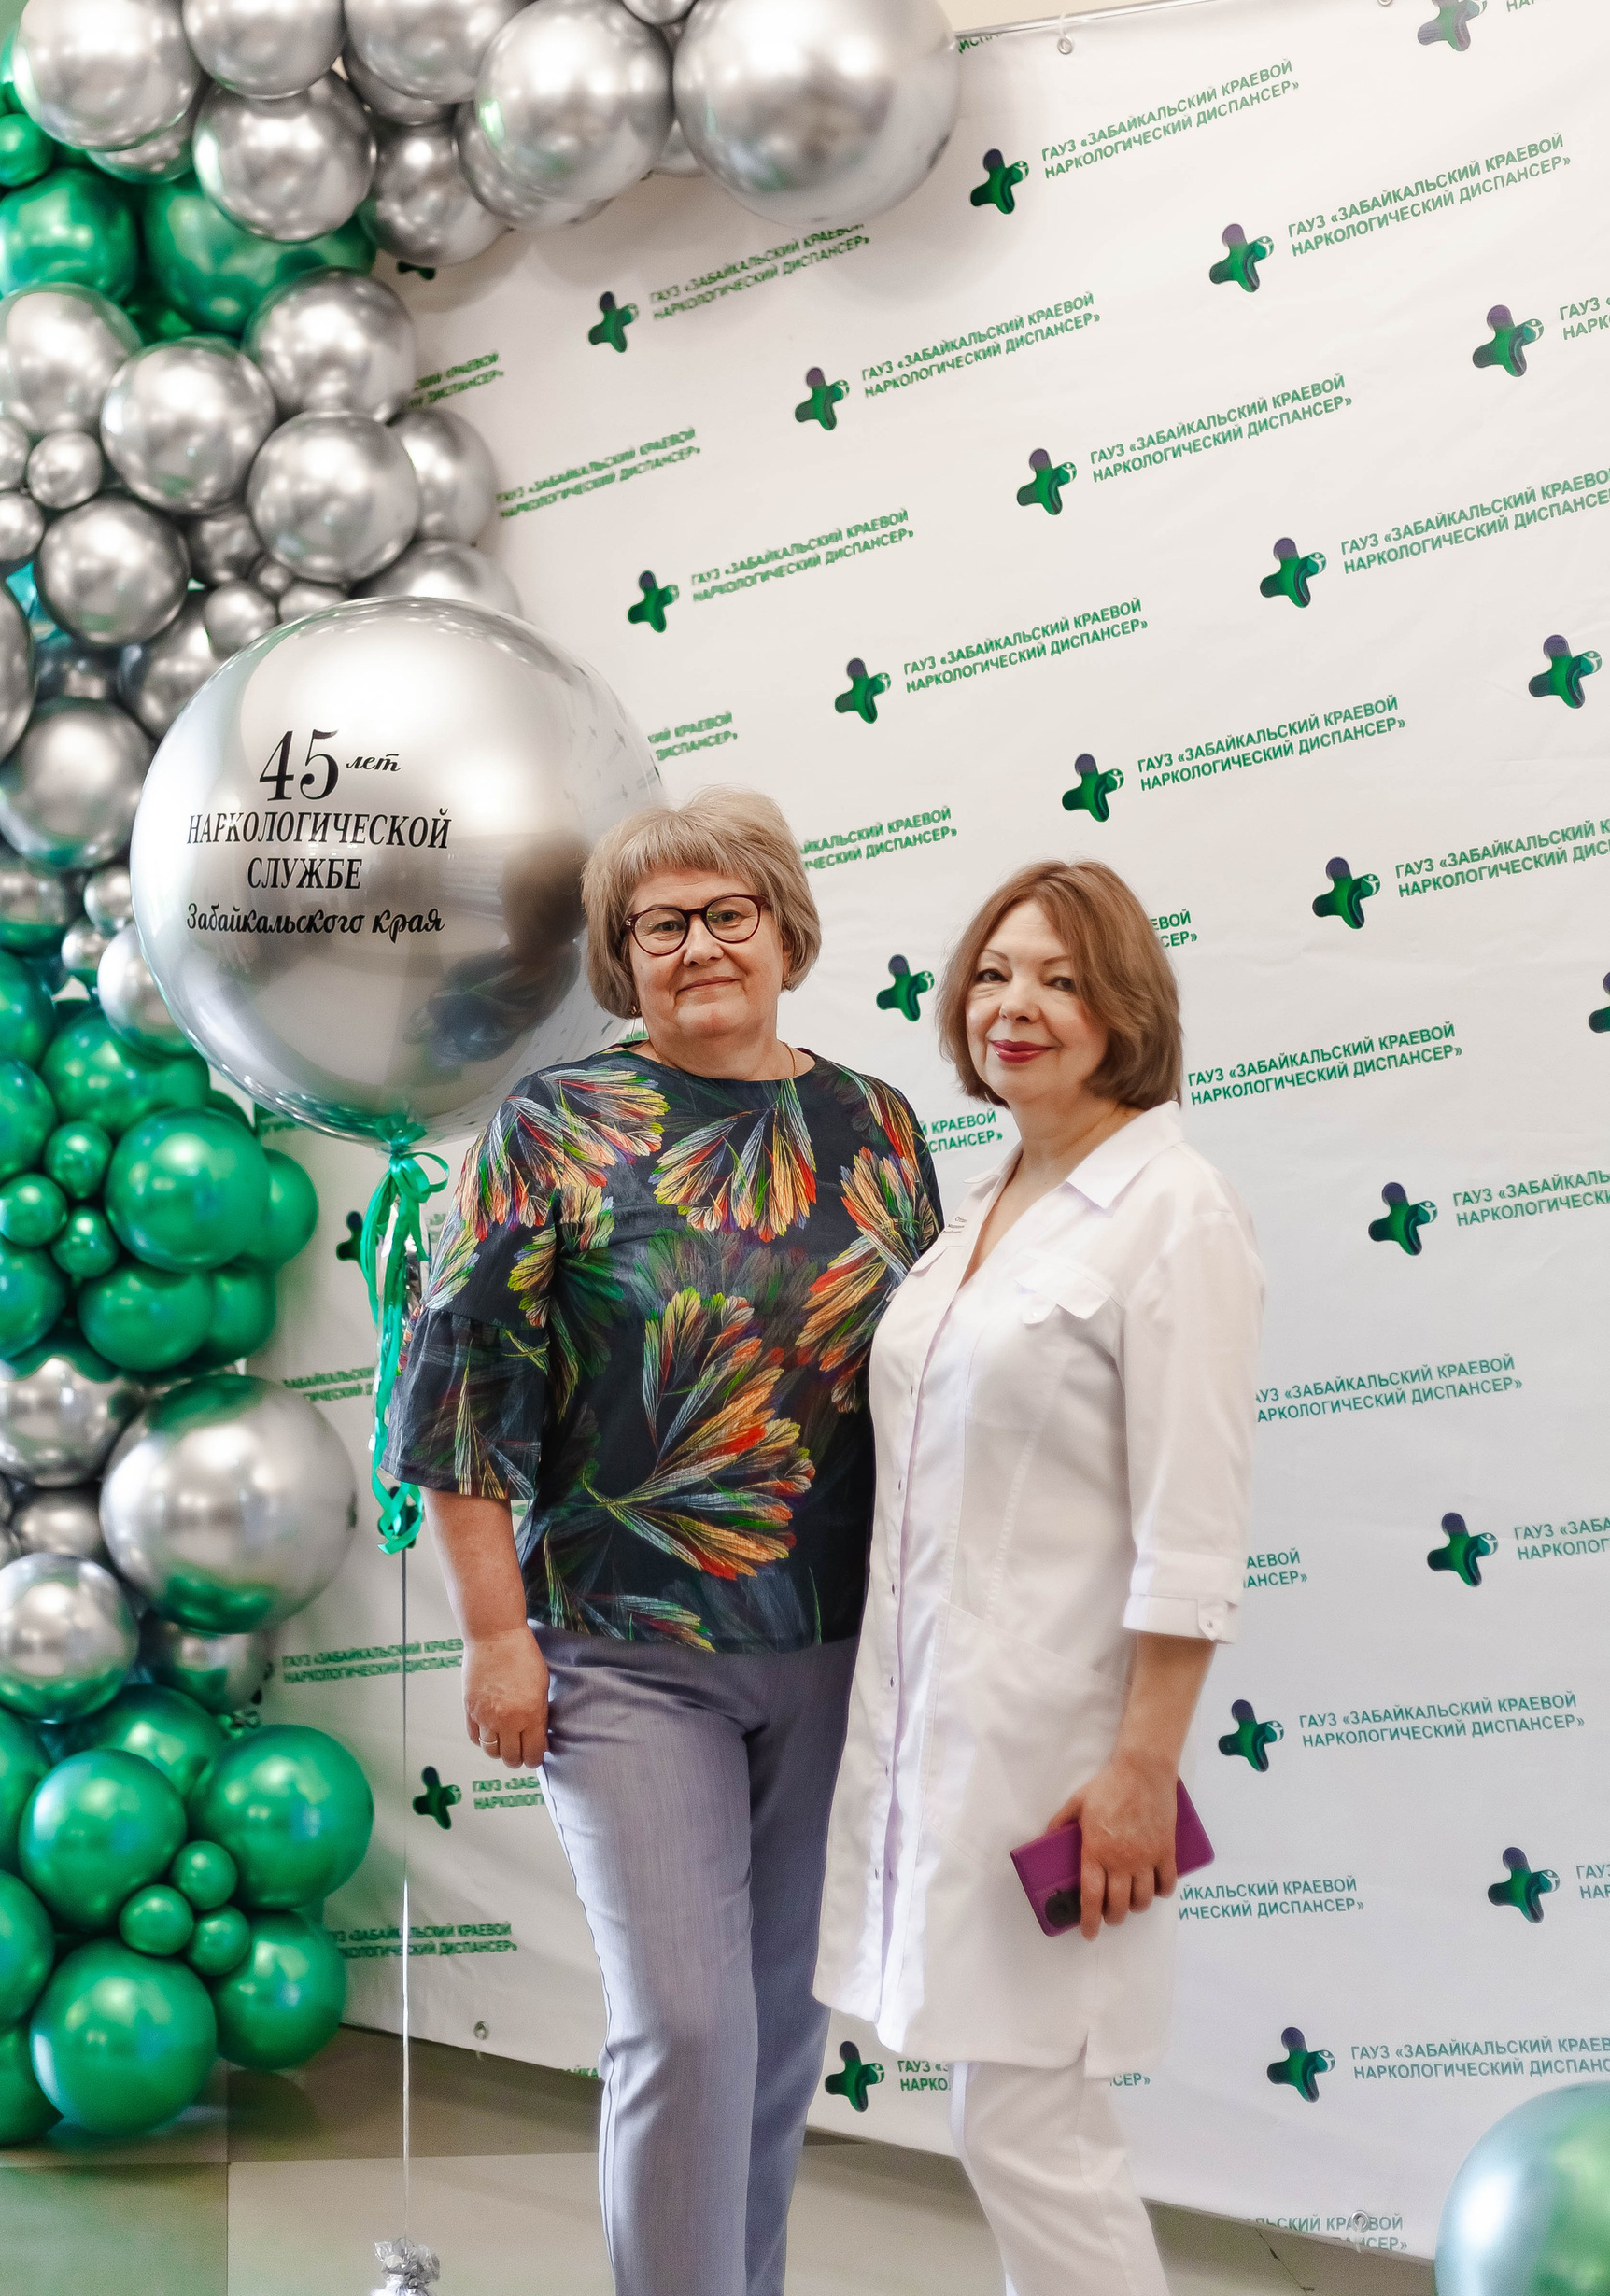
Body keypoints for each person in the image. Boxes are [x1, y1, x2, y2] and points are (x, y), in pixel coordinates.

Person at [385, 788, 941, 2296]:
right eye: (658, 926)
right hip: (620, 1648)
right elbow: (460, 1393)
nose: (697, 947)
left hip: (837, 1650)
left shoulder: (881, 1126)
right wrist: (493, 1635)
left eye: (727, 915)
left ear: (785, 931)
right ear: (624, 962)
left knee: (777, 2028)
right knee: (686, 2028)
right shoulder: (555, 1125)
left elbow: (928, 1382)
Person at [816, 859, 1263, 2296]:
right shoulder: (985, 1202)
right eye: (996, 974)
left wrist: (1141, 1770)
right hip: (942, 1737)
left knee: (1030, 2125)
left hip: (1066, 1759)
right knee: (1009, 2118)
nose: (1017, 1005)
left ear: (1125, 1009)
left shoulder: (1174, 1210)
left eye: (1062, 980)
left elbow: (1193, 1525)